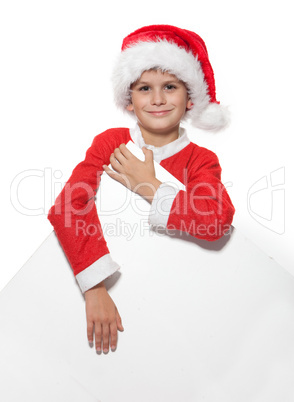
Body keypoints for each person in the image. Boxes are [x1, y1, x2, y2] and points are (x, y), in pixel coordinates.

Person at [48, 24, 235, 355]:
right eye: (145, 88)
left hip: (172, 307)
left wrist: (148, 185)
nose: (158, 99)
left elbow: (216, 220)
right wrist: (94, 287)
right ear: (129, 99)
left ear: (190, 97)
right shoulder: (111, 142)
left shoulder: (201, 160)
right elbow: (69, 204)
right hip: (96, 309)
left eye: (170, 86)